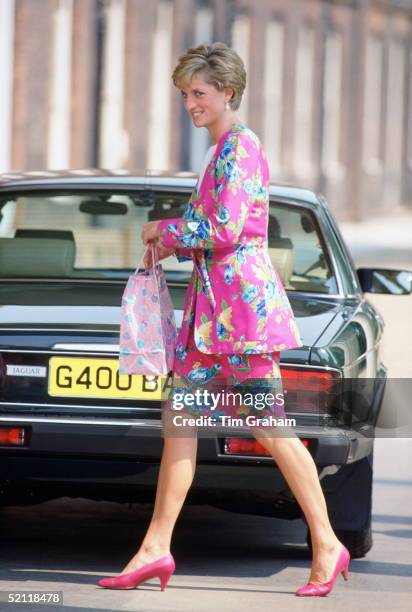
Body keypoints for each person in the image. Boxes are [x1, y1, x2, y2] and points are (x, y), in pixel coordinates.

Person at [97, 42, 350, 597]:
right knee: (179, 427)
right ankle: (154, 548)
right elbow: (211, 232)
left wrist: (162, 232)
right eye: (186, 94)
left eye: (199, 93)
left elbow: (227, 231)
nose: (191, 103)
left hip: (242, 320)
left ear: (228, 92)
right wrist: (174, 243)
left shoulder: (240, 147)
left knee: (272, 430)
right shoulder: (220, 150)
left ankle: (328, 544)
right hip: (209, 319)